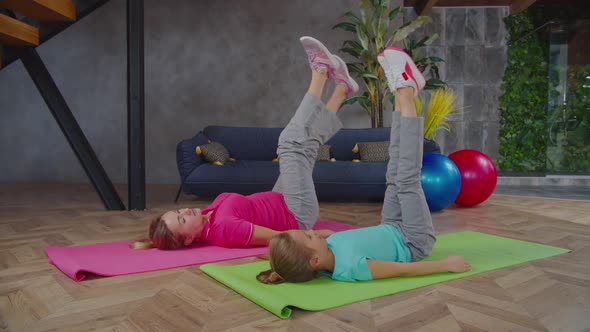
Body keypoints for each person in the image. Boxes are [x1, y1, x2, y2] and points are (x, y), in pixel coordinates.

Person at [257, 47, 471, 284]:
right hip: (413, 240)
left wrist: (295, 252)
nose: (313, 231)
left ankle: (402, 95)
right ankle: (405, 91)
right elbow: (400, 270)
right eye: (309, 236)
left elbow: (338, 243)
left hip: (390, 225)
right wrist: (445, 265)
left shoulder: (324, 251)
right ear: (315, 261)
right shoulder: (352, 268)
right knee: (406, 179)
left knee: (393, 175)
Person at [131, 36, 359, 250]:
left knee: (306, 147)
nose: (186, 211)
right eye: (182, 219)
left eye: (179, 211)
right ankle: (320, 71)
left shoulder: (207, 215)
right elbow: (277, 238)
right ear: (189, 239)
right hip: (296, 214)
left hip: (281, 199)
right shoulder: (224, 231)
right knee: (291, 144)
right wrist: (317, 236)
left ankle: (342, 88)